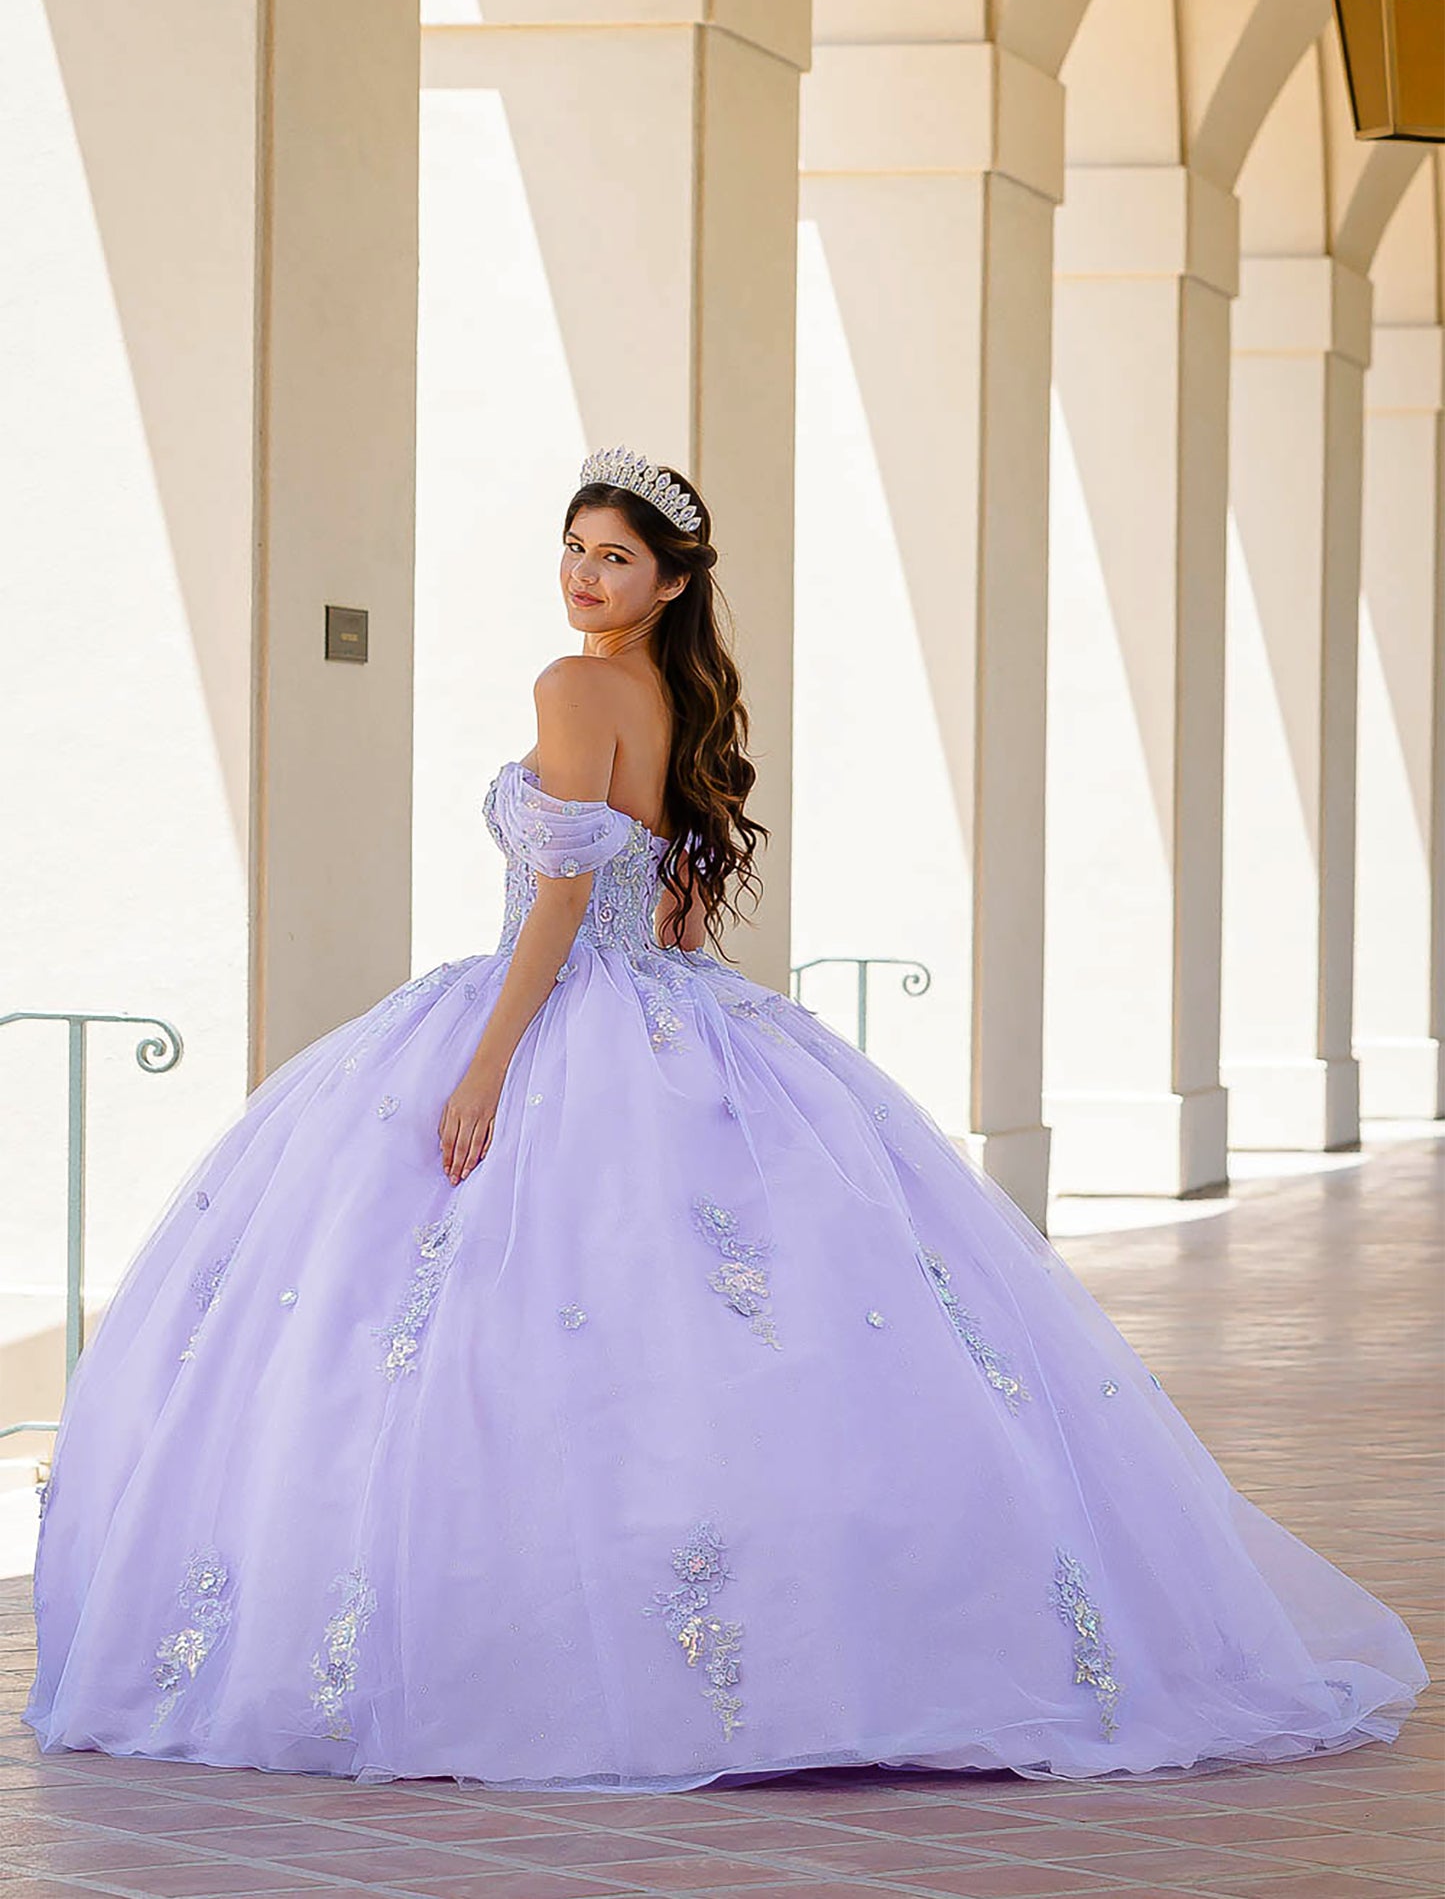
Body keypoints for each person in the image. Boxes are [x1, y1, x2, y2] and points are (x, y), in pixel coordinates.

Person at [23, 447, 1428, 1797]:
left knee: (486, 1335)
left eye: (613, 557)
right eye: (572, 551)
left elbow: (566, 896)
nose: (582, 576)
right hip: (676, 1009)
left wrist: (486, 1066)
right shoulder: (687, 703)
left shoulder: (576, 686)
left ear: (668, 579)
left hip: (554, 1003)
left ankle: (506, 1640)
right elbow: (678, 907)